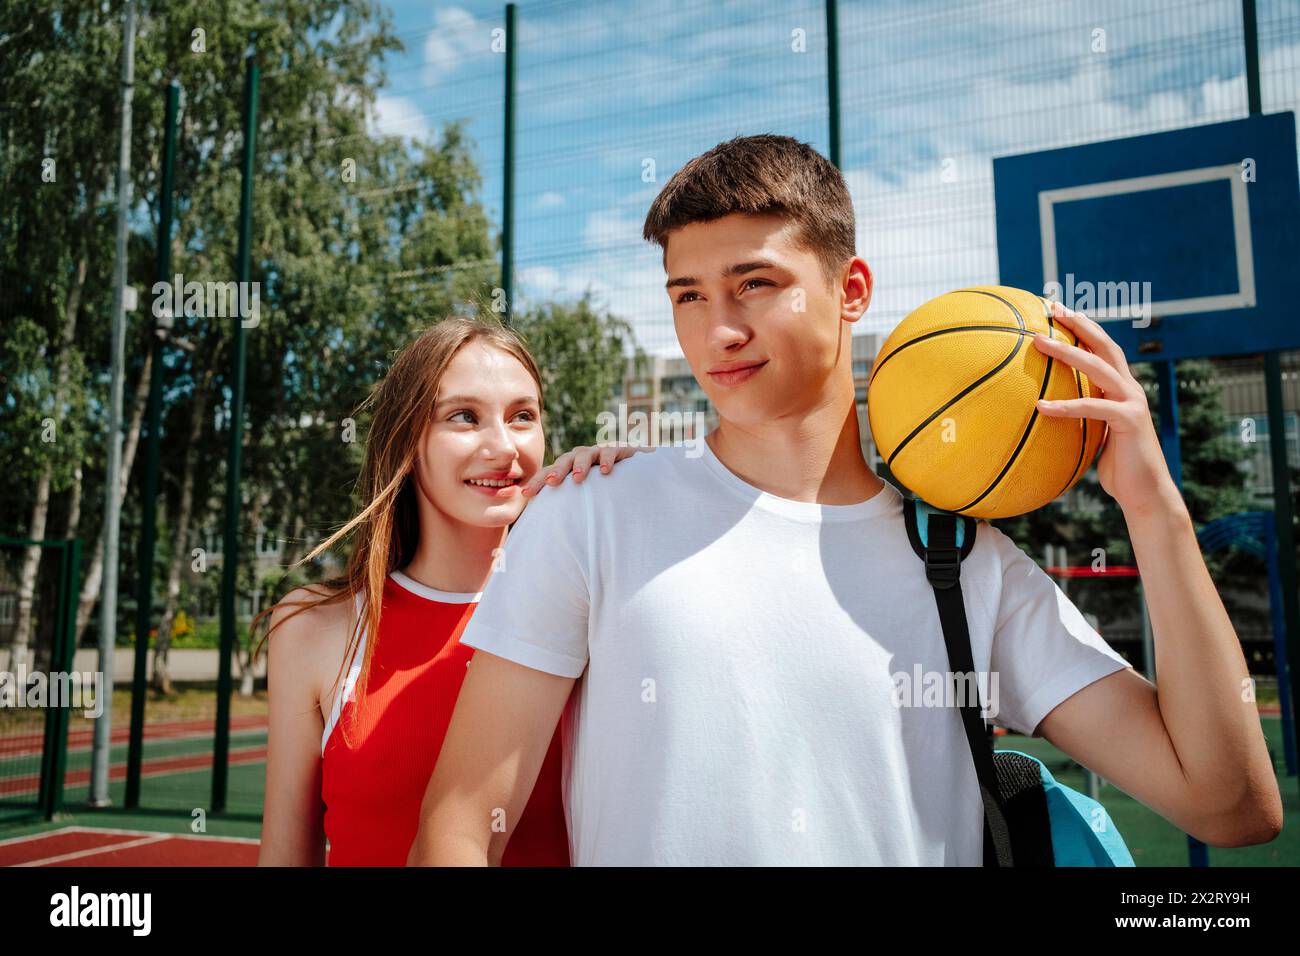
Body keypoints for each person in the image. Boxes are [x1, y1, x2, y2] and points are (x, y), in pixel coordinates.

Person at [408, 134, 1282, 866]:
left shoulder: (968, 566)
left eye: (755, 283)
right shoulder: (588, 515)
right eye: (689, 296)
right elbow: (459, 825)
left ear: (851, 290)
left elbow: (1230, 805)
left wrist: (1154, 509)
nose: (719, 330)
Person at [256, 315, 644, 866]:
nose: (503, 446)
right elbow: (285, 857)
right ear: (407, 440)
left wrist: (642, 499)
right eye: (464, 417)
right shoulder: (313, 627)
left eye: (522, 417)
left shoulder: (595, 611)